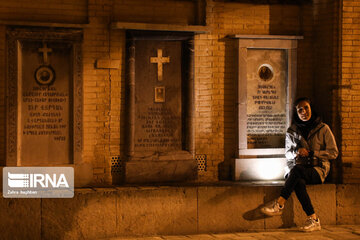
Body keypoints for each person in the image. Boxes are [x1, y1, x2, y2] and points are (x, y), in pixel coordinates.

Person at [260, 97, 338, 232]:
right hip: (298, 169)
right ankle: (313, 219)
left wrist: (313, 153)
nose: (303, 112)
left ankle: (279, 204)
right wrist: (297, 151)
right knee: (298, 182)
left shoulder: (324, 128)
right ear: (296, 113)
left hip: (317, 169)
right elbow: (287, 154)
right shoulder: (292, 131)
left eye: (306, 108)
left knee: (297, 171)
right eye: (299, 110)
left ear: (311, 108)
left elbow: (333, 153)